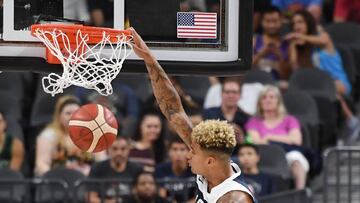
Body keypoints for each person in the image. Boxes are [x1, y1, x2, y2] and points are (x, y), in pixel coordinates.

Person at [129, 27, 256, 203]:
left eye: (192, 152)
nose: (188, 155)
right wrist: (149, 59)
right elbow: (173, 109)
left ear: (210, 162)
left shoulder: (235, 199)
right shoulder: (208, 162)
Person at [286, 10, 360, 141]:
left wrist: (300, 37)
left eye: (300, 22)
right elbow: (296, 70)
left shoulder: (321, 36)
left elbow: (323, 40)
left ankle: (351, 120)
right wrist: (293, 46)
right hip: (314, 86)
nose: (297, 26)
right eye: (294, 23)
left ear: (308, 22)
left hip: (337, 82)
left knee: (330, 88)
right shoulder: (300, 46)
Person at [245, 85, 309, 190]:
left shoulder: (290, 120)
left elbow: (297, 140)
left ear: (278, 101)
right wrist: (285, 138)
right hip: (262, 157)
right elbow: (257, 142)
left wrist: (270, 137)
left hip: (286, 156)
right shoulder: (253, 122)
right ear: (259, 102)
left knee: (296, 158)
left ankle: (299, 194)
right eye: (264, 97)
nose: (268, 100)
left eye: (272, 97)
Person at [35, 95, 106, 176]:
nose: (72, 117)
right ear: (59, 117)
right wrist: (53, 177)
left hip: (86, 182)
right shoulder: (48, 136)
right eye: (68, 113)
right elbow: (41, 165)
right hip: (57, 182)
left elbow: (102, 163)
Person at [88, 136, 143, 203]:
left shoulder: (137, 168)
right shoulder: (97, 168)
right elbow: (91, 199)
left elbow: (142, 197)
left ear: (128, 150)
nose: (119, 153)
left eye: (123, 149)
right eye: (114, 149)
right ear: (108, 150)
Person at [253, 6, 291, 80]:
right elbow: (246, 71)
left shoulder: (287, 44)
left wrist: (279, 56)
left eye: (275, 21)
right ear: (261, 22)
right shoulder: (254, 41)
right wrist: (260, 55)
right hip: (255, 83)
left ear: (281, 21)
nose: (271, 25)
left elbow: (287, 76)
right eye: (267, 21)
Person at [155, 136, 195, 202]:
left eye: (182, 149)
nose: (178, 153)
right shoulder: (161, 169)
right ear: (169, 152)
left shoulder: (195, 170)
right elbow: (161, 193)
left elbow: (199, 195)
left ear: (189, 152)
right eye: (174, 149)